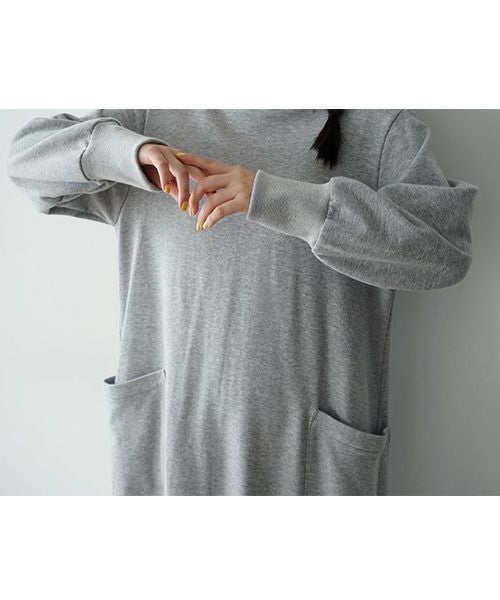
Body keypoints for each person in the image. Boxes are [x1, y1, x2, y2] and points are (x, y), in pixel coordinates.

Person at [6, 109, 478, 495]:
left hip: (307, 459)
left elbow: (444, 251)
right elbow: (27, 160)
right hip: (171, 446)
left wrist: (279, 199)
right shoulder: (150, 118)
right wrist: (126, 152)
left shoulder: (378, 131)